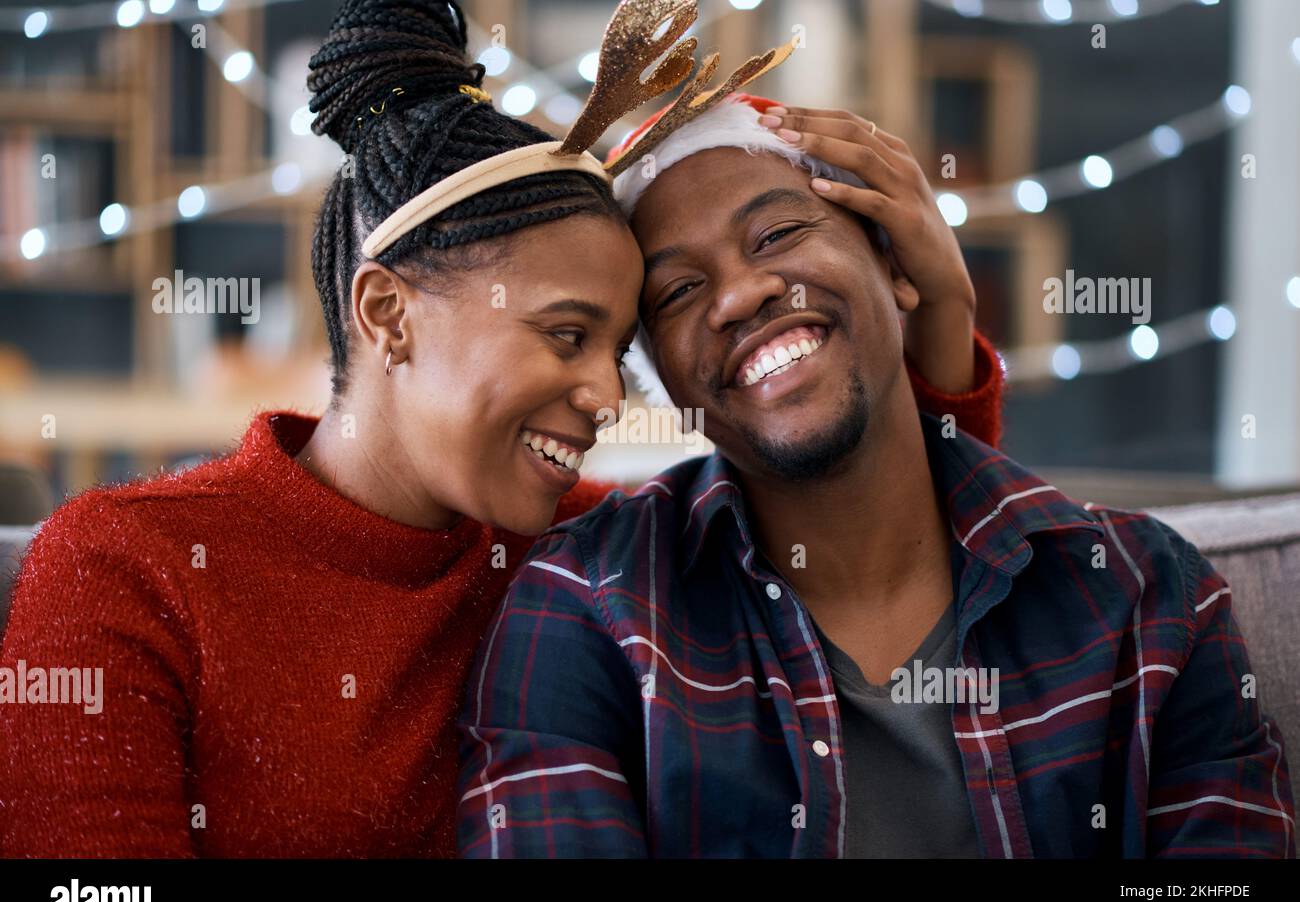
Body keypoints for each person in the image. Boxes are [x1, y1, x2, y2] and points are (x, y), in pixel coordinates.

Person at [0, 0, 998, 857]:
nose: (605, 396)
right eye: (564, 334)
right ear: (387, 313)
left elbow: (885, 527)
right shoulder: (127, 565)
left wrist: (938, 310)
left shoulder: (579, 555)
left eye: (616, 351)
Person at [456, 93, 1296, 858]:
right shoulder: (590, 605)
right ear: (668, 383)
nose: (741, 295)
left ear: (900, 270)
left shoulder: (1147, 596)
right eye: (679, 291)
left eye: (777, 234)